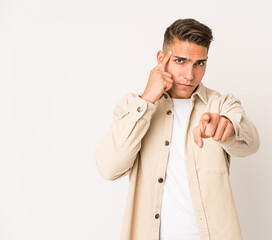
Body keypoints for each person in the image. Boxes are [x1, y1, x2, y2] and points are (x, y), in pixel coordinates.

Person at [95, 18, 260, 240]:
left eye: (199, 63)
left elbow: (250, 144)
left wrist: (227, 129)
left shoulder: (221, 105)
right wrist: (147, 100)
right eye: (181, 61)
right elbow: (109, 168)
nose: (190, 75)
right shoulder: (133, 107)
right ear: (161, 59)